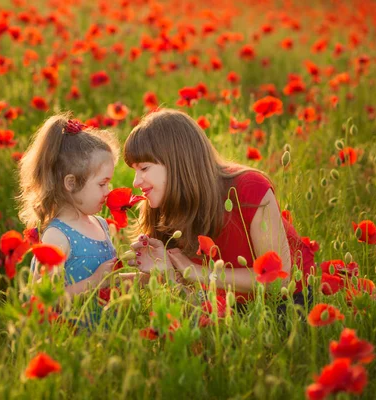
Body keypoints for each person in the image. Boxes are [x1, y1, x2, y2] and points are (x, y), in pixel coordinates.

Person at [124, 109, 315, 305]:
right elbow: (180, 284)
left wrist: (194, 271)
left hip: (286, 302)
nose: (136, 181)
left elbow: (278, 280)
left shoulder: (249, 188)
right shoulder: (160, 203)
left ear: (177, 162)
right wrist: (97, 282)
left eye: (144, 168)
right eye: (135, 171)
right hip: (224, 304)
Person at [17, 114, 121, 297]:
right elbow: (41, 297)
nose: (108, 191)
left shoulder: (101, 224)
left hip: (108, 325)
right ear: (71, 183)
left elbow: (109, 279)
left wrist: (144, 273)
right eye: (102, 184)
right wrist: (95, 281)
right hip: (72, 325)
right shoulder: (58, 235)